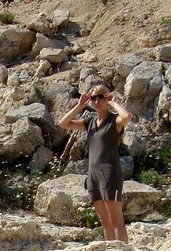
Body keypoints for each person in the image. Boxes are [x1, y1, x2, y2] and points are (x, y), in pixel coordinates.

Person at [57, 84, 133, 241]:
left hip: (110, 173)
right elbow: (63, 124)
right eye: (94, 98)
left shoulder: (113, 121)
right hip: (93, 175)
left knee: (115, 220)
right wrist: (80, 106)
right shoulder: (89, 122)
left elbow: (126, 118)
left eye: (101, 97)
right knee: (105, 221)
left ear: (106, 98)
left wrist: (114, 103)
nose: (97, 101)